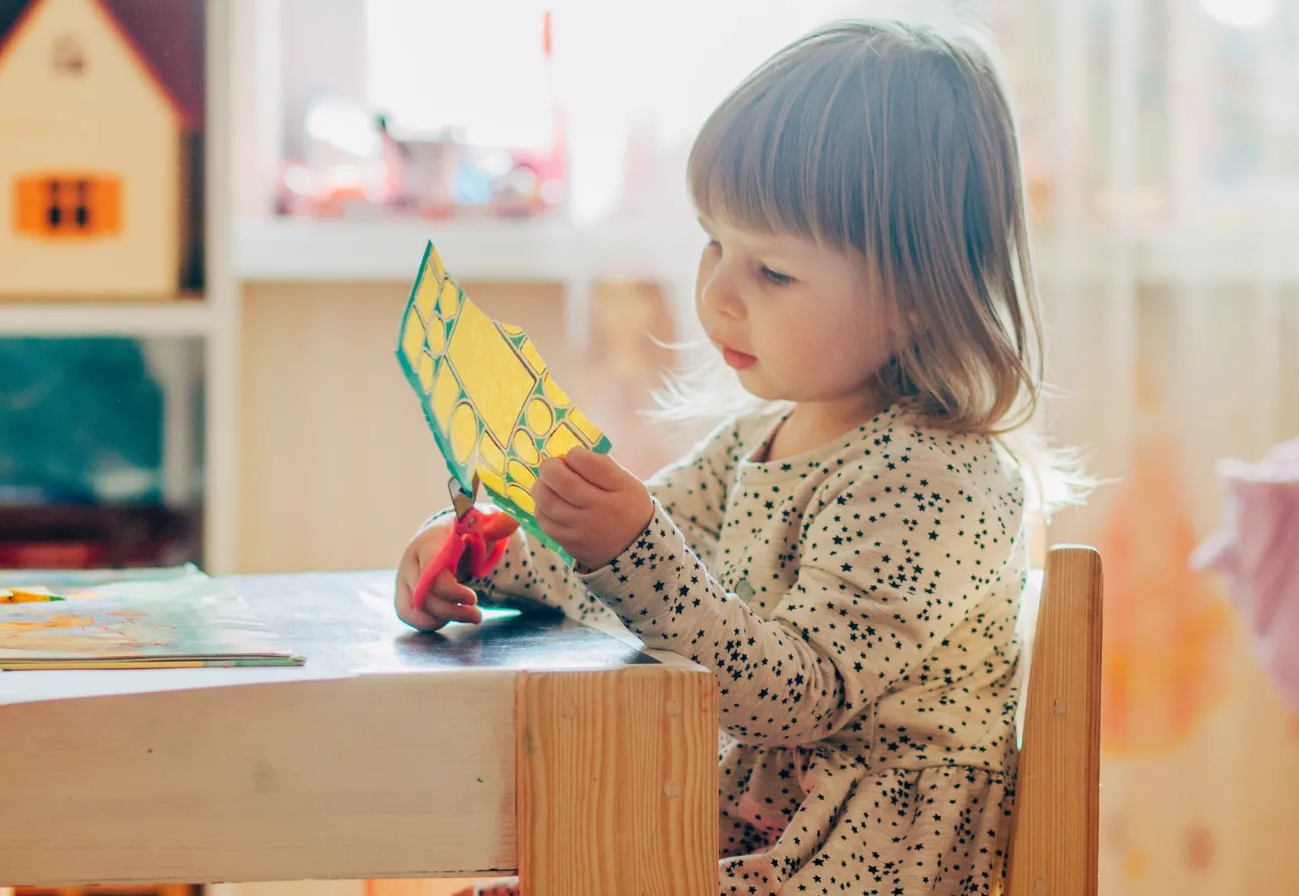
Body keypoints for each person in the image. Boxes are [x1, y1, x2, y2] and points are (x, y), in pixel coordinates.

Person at [395, 17, 1089, 895]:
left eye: (773, 273)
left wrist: (628, 546)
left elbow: (796, 693)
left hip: (860, 867)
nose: (717, 293)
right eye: (714, 242)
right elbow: (630, 581)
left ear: (920, 293)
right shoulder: (757, 443)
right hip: (758, 838)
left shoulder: (939, 479)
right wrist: (486, 556)